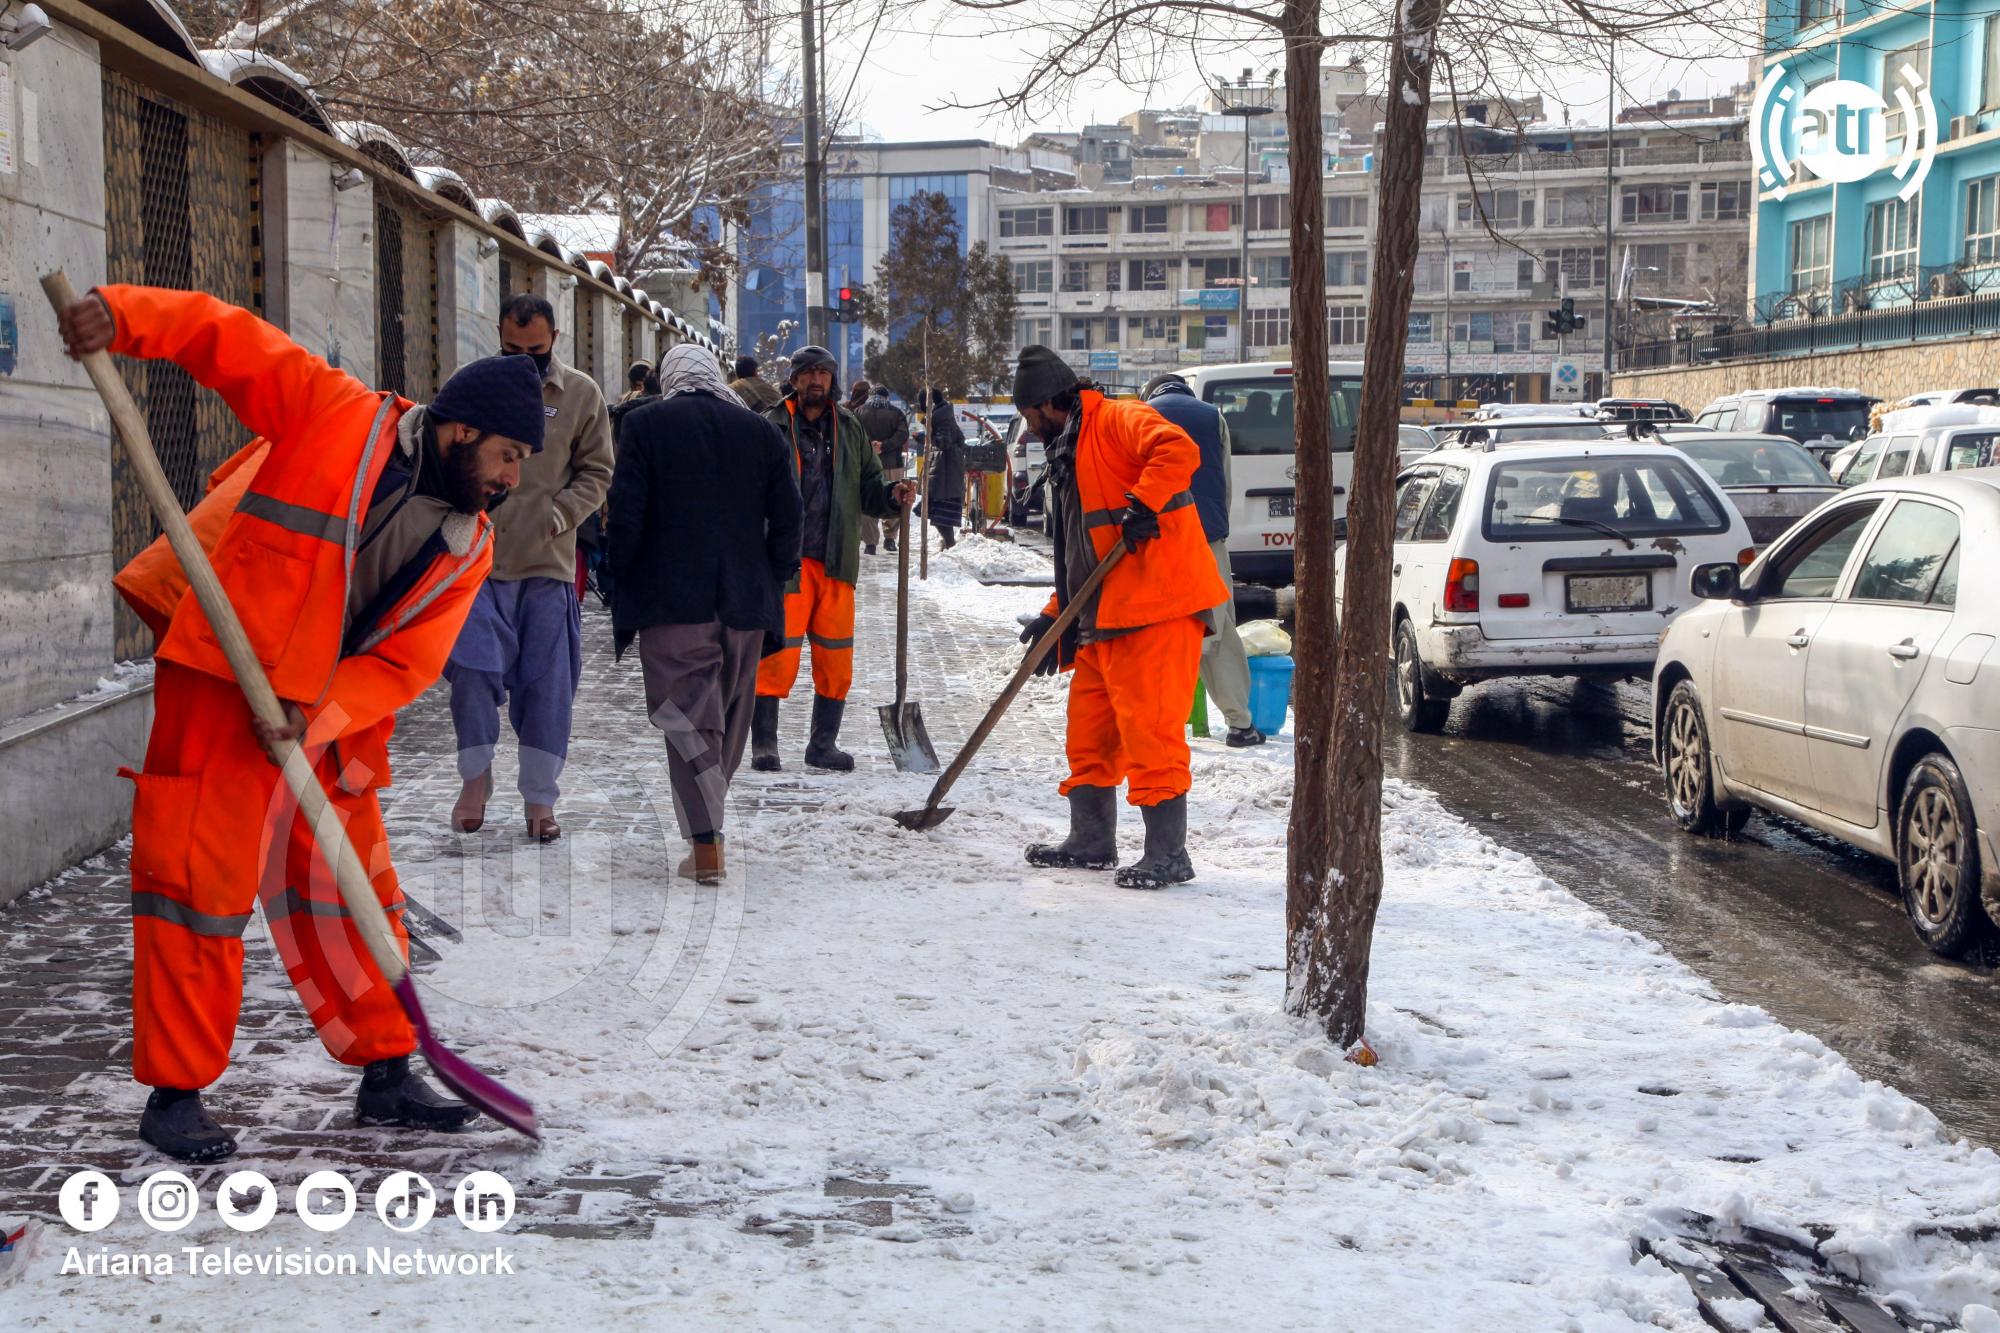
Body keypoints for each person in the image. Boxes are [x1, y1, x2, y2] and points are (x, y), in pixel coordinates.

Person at [57, 284, 546, 1161]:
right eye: (508, 456)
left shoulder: (470, 544)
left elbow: (404, 665)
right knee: (195, 889)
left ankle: (389, 1071)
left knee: (353, 889)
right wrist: (119, 316)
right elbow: (224, 337)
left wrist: (317, 711)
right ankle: (176, 1092)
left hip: (329, 722)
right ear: (460, 430)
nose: (511, 481)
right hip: (222, 676)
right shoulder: (336, 416)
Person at [1012, 346, 1227, 890]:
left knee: (1151, 735)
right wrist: (1054, 615)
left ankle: (1168, 854)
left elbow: (1177, 447)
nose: (1028, 428)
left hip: (1157, 607)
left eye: (1028, 416)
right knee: (1089, 736)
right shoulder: (1069, 449)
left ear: (1045, 404)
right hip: (1104, 615)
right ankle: (1091, 840)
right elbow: (1082, 550)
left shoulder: (1117, 417)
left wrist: (1145, 502)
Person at [609, 346, 802, 883]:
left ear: (670, 377)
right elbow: (789, 517)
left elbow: (627, 512)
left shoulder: (646, 425)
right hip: (744, 603)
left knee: (689, 721)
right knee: (729, 718)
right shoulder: (760, 432)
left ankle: (706, 840)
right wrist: (773, 575)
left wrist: (620, 576)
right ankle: (708, 829)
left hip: (672, 601)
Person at [444, 295, 614, 842]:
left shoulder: (581, 395)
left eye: (535, 351)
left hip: (547, 564)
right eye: (512, 349)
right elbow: (440, 453)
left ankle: (541, 801)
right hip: (476, 563)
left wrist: (560, 514)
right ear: (498, 335)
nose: (524, 360)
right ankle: (475, 780)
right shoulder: (473, 386)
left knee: (548, 691)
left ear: (555, 340)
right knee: (471, 674)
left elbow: (597, 471)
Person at [753, 345, 915, 771]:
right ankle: (765, 744)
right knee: (775, 656)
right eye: (807, 373)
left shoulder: (849, 427)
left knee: (836, 658)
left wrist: (890, 496)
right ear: (794, 380)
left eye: (823, 373)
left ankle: (822, 745)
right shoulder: (771, 425)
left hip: (836, 560)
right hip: (786, 564)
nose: (815, 381)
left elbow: (869, 484)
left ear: (833, 380)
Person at [1144, 373, 1262, 748]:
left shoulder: (1140, 415)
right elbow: (1223, 482)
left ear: (1153, 392)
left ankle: (1160, 722)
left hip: (1156, 540)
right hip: (1205, 540)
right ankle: (1241, 725)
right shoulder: (1213, 416)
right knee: (1217, 628)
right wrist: (1216, 533)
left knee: (1159, 631)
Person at [856, 385, 911, 554]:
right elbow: (903, 434)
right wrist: (885, 446)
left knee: (868, 499)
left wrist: (870, 447)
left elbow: (852, 434)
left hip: (867, 464)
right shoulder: (896, 412)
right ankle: (890, 539)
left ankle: (870, 542)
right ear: (886, 396)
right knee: (895, 497)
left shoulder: (859, 412)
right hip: (892, 463)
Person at [925, 388, 967, 549]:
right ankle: (948, 542)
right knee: (938, 514)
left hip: (945, 473)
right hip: (943, 471)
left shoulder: (941, 419)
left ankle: (950, 543)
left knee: (940, 514)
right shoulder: (943, 416)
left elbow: (944, 442)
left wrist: (927, 436)